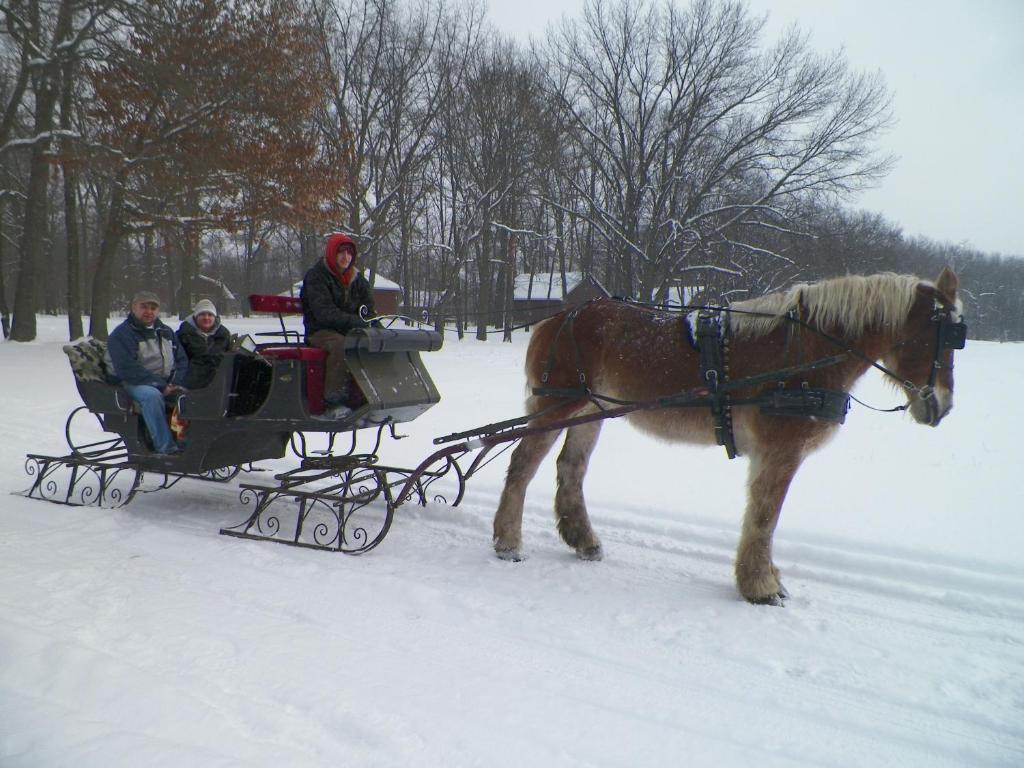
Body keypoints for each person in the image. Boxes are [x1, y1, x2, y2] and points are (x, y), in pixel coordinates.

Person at [300, 232, 375, 418]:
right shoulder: (317, 276)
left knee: (373, 342)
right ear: (332, 253)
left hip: (349, 330)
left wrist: (373, 326)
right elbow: (324, 313)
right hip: (321, 331)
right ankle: (334, 401)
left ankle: (366, 395)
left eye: (349, 253)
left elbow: (368, 310)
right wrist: (356, 322)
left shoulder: (358, 281)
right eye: (341, 252)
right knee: (342, 344)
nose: (346, 257)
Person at [107, 290, 189, 455]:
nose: (149, 311)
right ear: (134, 308)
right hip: (131, 382)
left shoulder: (165, 331)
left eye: (153, 308)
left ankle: (186, 442)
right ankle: (166, 447)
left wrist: (174, 383)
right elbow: (126, 368)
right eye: (144, 307)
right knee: (152, 396)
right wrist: (160, 386)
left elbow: (182, 360)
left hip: (165, 382)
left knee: (191, 397)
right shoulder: (123, 334)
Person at [177, 299, 232, 389]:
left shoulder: (223, 335)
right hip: (192, 379)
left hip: (219, 379)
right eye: (202, 314)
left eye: (210, 315)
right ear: (195, 317)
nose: (206, 318)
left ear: (215, 317)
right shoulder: (183, 334)